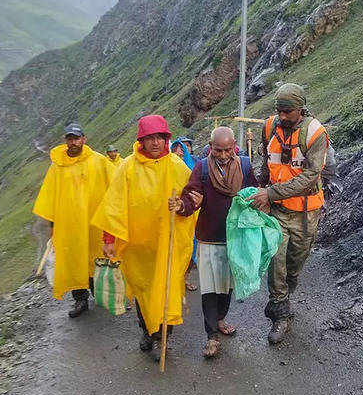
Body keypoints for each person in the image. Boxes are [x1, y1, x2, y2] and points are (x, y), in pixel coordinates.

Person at [91, 115, 197, 361]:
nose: (156, 143)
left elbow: (193, 197)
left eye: (160, 137)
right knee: (142, 291)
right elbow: (113, 207)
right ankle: (147, 331)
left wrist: (182, 204)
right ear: (141, 141)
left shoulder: (176, 166)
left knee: (166, 289)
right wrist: (109, 240)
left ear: (167, 139)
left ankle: (163, 336)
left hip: (167, 243)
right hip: (137, 247)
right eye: (150, 138)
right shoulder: (127, 166)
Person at [248, 83, 330, 344]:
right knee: (277, 259)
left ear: (301, 109)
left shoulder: (316, 133)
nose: (282, 116)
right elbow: (266, 163)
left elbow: (309, 177)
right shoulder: (269, 126)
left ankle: (286, 289)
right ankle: (280, 312)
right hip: (278, 211)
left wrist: (269, 193)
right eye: (279, 111)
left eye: (288, 112)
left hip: (307, 212)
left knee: (295, 261)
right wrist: (263, 190)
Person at [175, 126, 257, 358]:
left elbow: (254, 191)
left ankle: (221, 318)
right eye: (218, 150)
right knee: (210, 288)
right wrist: (184, 206)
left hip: (235, 237)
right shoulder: (202, 168)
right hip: (209, 238)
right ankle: (211, 336)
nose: (222, 155)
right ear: (210, 147)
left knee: (227, 285)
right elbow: (190, 197)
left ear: (234, 147)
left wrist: (257, 201)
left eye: (227, 150)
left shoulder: (244, 166)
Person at [32, 122, 115, 318]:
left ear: (84, 139)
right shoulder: (57, 166)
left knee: (96, 257)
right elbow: (51, 196)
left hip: (94, 222)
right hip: (68, 224)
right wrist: (53, 226)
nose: (73, 142)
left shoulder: (98, 161)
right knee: (73, 260)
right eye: (70, 139)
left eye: (76, 138)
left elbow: (115, 185)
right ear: (66, 141)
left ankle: (101, 295)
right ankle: (80, 299)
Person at [171, 136, 199, 291]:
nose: (181, 153)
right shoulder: (167, 167)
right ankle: (174, 280)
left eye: (186, 148)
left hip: (190, 215)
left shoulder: (195, 165)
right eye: (177, 152)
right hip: (171, 217)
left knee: (189, 250)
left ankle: (185, 278)